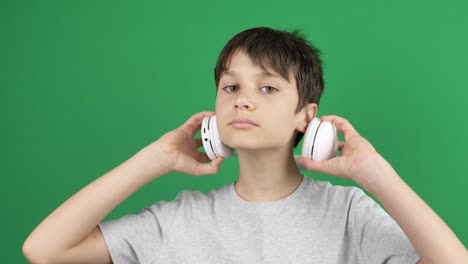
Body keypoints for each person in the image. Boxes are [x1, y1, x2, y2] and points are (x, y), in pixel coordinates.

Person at [23, 27, 467, 264]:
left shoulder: (348, 212)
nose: (244, 100)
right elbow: (43, 250)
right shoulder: (179, 219)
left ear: (306, 117)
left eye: (268, 88)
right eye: (230, 87)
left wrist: (373, 173)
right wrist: (154, 159)